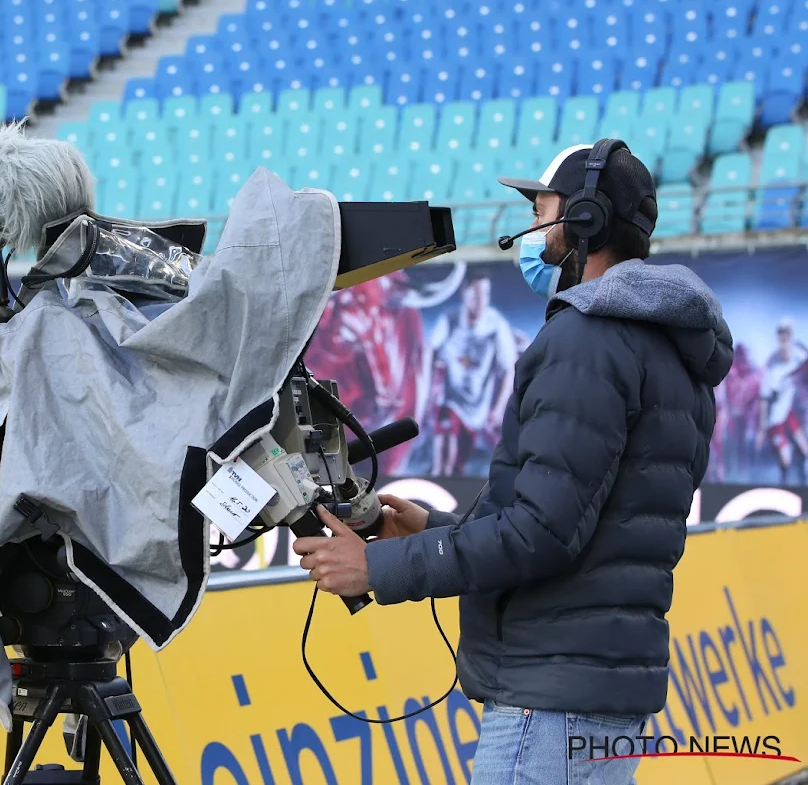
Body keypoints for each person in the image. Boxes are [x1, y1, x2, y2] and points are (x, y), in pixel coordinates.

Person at [293, 142, 734, 784]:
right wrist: (440, 530)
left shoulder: (587, 338)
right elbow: (590, 522)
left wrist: (377, 567)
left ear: (585, 218)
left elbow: (543, 534)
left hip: (550, 701)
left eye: (544, 206)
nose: (533, 222)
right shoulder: (669, 349)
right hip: (596, 692)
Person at [424, 266, 517, 477]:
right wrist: (429, 392)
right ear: (464, 294)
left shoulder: (496, 326)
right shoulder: (449, 320)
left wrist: (498, 408)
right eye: (475, 294)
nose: (481, 300)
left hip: (477, 410)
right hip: (450, 403)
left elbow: (508, 370)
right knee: (443, 462)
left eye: (485, 294)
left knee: (459, 465)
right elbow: (429, 351)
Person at [756, 317, 808, 484]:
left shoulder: (799, 357)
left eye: (787, 337)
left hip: (790, 415)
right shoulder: (772, 368)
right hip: (777, 419)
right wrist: (762, 429)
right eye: (781, 338)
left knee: (805, 448)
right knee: (785, 460)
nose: (784, 342)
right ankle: (785, 486)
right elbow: (764, 400)